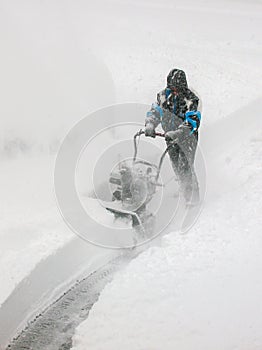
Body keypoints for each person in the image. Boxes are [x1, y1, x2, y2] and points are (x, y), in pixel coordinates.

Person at [144, 68, 201, 205]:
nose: (175, 91)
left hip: (188, 137)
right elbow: (155, 111)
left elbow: (192, 120)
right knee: (176, 165)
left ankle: (193, 197)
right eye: (172, 88)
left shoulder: (191, 99)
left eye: (177, 89)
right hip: (169, 137)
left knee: (185, 165)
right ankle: (184, 188)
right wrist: (151, 124)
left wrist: (179, 133)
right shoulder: (163, 96)